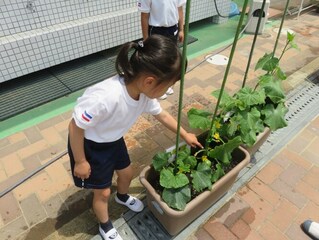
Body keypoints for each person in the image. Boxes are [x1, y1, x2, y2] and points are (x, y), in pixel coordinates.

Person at [67, 35, 203, 240]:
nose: (169, 91)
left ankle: (122, 197)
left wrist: (185, 134)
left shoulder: (144, 94)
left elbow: (163, 115)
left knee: (127, 173)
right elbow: (75, 127)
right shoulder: (105, 97)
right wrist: (80, 161)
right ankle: (105, 226)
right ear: (150, 81)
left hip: (114, 140)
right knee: (102, 193)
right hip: (91, 147)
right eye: (168, 86)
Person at [138, 0, 186, 100]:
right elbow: (144, 15)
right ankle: (156, 87)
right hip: (156, 29)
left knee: (171, 58)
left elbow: (180, 9)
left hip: (173, 28)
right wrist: (146, 38)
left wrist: (181, 29)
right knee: (157, 61)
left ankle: (166, 85)